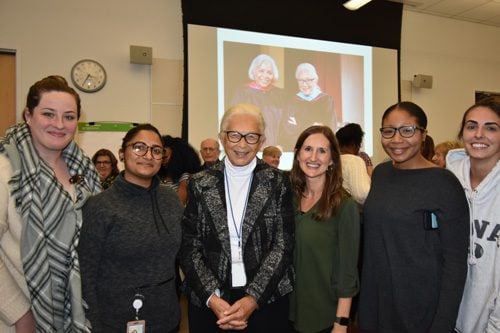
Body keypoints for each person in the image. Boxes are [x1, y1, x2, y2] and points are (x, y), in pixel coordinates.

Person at [179, 103, 294, 332]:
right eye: (234, 136)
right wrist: (212, 298)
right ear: (222, 138)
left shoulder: (278, 182)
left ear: (261, 141)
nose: (242, 144)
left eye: (251, 137)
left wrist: (253, 299)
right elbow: (189, 246)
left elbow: (283, 246)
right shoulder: (200, 183)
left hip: (266, 300)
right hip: (210, 301)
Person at [0, 76, 101, 332]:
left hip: (80, 310)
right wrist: (19, 313)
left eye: (69, 116)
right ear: (28, 115)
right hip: (23, 319)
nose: (59, 125)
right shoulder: (5, 169)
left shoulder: (84, 168)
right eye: (48, 114)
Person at [358, 101, 470, 333]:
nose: (396, 139)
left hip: (420, 308)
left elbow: (456, 262)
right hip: (377, 302)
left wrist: (442, 324)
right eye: (388, 131)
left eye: (407, 130)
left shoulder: (443, 183)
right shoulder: (381, 173)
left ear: (423, 134)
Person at [79, 124, 183, 333]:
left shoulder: (171, 199)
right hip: (116, 322)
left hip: (167, 318)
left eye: (156, 150)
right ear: (121, 153)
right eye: (139, 147)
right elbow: (86, 274)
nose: (148, 155)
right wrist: (95, 325)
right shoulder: (100, 206)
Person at [289, 125, 360, 333]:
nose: (314, 157)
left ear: (332, 160)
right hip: (287, 311)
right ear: (298, 154)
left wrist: (341, 322)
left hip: (323, 316)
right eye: (308, 149)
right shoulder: (288, 199)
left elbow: (347, 272)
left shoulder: (344, 207)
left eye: (322, 151)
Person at [446, 98, 500, 333]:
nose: (479, 134)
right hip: (448, 316)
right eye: (471, 126)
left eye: (491, 128)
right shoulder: (448, 179)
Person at [231, 54, 286, 147]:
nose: (265, 75)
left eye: (269, 72)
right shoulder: (243, 93)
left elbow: (284, 124)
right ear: (254, 72)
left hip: (275, 149)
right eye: (261, 71)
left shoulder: (279, 95)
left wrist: (282, 145)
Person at [281, 63, 336, 151]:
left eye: (308, 80)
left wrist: (299, 126)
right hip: (297, 147)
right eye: (301, 80)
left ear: (315, 80)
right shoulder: (292, 101)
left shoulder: (325, 100)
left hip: (320, 148)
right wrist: (314, 127)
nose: (304, 84)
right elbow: (287, 129)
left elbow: (330, 126)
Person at [158, 135, 201, 206]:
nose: (162, 161)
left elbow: (179, 204)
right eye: (160, 158)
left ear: (176, 157)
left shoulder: (184, 177)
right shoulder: (158, 176)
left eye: (165, 157)